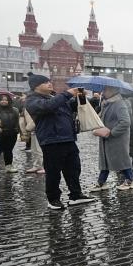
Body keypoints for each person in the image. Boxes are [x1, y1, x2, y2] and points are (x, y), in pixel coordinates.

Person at [24, 75, 96, 210]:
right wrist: (67, 94)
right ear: (35, 86)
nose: (49, 83)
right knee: (53, 172)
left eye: (49, 81)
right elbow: (47, 107)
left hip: (68, 138)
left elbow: (71, 107)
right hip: (51, 140)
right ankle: (53, 199)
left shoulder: (54, 97)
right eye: (45, 82)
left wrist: (81, 97)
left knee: (73, 169)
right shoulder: (32, 100)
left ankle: (76, 195)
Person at [89, 86, 133, 191]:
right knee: (106, 160)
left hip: (116, 138)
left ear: (113, 91)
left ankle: (130, 181)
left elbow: (125, 122)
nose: (103, 92)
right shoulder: (108, 103)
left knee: (122, 160)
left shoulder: (119, 104)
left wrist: (112, 132)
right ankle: (101, 182)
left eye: (105, 90)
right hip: (107, 138)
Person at [0, 93, 21, 172]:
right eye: (2, 100)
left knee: (9, 150)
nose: (4, 101)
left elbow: (17, 121)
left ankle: (8, 166)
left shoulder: (14, 110)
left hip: (12, 133)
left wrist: (17, 130)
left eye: (6, 100)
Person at [19, 108, 44, 173]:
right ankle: (37, 165)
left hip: (40, 130)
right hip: (32, 131)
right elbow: (22, 121)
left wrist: (28, 128)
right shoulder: (26, 108)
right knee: (34, 150)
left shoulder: (37, 105)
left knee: (40, 150)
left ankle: (43, 166)